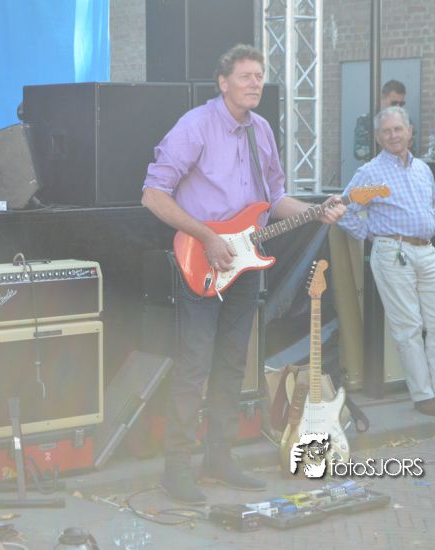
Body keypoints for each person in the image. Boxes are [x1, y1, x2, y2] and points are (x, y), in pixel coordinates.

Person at [142, 44, 346, 504]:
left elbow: (275, 200)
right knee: (194, 365)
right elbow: (153, 194)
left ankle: (218, 459)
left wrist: (316, 211)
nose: (255, 83)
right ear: (223, 82)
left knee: (233, 363)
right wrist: (206, 236)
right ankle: (176, 469)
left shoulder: (262, 131)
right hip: (202, 260)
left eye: (259, 76)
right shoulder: (195, 126)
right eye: (245, 76)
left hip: (245, 262)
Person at [339, 106, 435, 418]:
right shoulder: (370, 172)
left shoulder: (422, 169)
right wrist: (372, 235)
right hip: (393, 251)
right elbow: (344, 208)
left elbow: (432, 204)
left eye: (398, 129)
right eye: (386, 131)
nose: (393, 135)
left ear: (409, 131)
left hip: (426, 250)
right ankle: (423, 395)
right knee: (408, 327)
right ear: (377, 137)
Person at [354, 79, 407, 161]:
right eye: (394, 103)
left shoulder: (406, 121)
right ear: (382, 98)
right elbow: (359, 152)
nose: (398, 107)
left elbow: (410, 150)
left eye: (401, 104)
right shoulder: (365, 121)